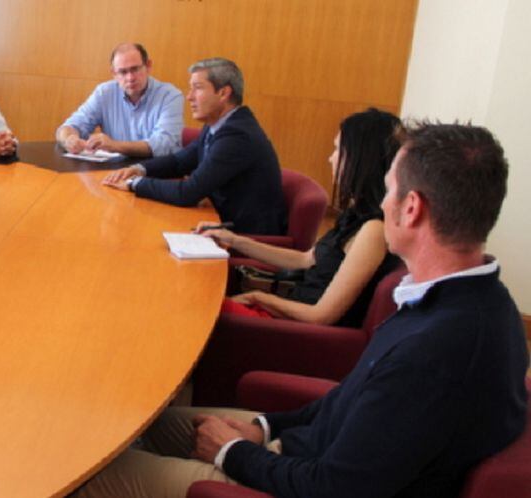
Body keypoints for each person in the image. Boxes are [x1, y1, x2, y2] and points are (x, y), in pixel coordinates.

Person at [75, 123, 528, 498]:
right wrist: (263, 425)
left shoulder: (439, 349)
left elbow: (336, 487)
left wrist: (233, 452)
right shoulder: (464, 302)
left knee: (94, 474)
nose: (383, 201)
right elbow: (345, 400)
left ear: (411, 208)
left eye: (389, 189)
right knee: (130, 423)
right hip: (287, 451)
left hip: (288, 481)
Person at [202, 108, 403, 326]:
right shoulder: (357, 215)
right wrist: (233, 239)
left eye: (337, 149)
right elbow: (304, 260)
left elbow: (321, 315)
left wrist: (257, 297)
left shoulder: (373, 231)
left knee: (192, 305)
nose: (330, 158)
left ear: (361, 159)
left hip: (289, 328)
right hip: (285, 311)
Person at [103, 57, 286, 236]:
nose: (189, 97)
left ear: (223, 93)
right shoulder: (218, 124)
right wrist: (137, 169)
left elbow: (188, 193)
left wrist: (134, 184)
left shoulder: (237, 136)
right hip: (217, 222)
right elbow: (179, 161)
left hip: (244, 236)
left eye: (197, 88)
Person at [56, 43, 184, 158]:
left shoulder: (170, 96)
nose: (130, 78)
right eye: (123, 72)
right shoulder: (104, 93)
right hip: (114, 173)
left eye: (135, 69)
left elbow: (165, 145)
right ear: (114, 74)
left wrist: (115, 146)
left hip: (157, 173)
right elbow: (68, 127)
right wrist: (70, 139)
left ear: (148, 66)